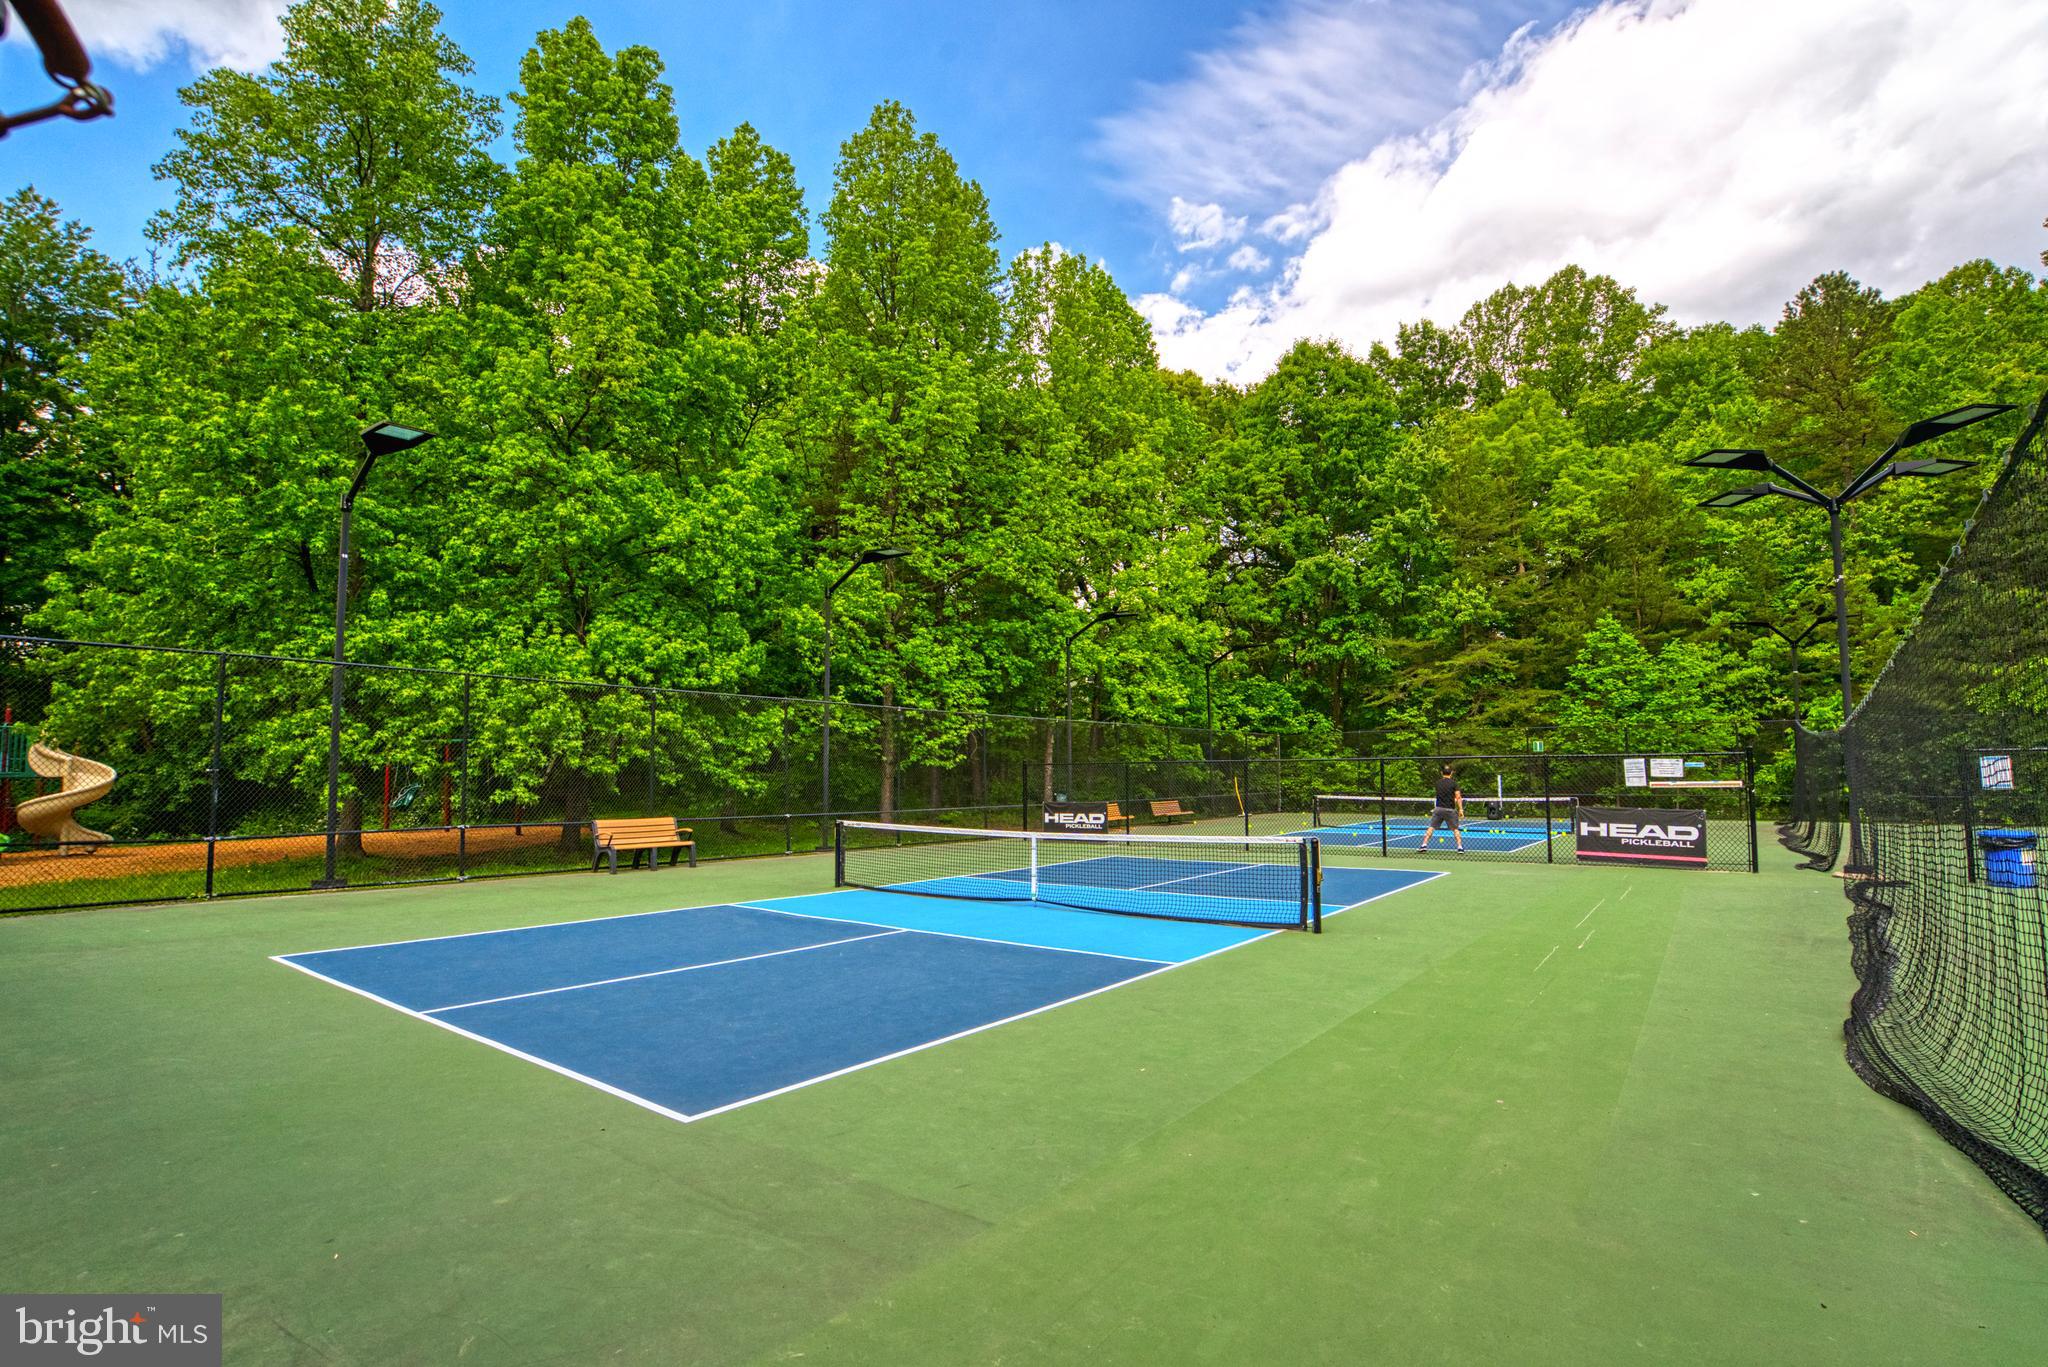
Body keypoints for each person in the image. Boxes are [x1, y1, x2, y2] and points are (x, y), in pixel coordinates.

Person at [1424, 763, 1464, 852]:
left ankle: (1424, 844)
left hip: (1438, 809)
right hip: (1450, 810)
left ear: (1442, 773)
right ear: (1451, 773)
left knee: (1431, 827)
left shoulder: (1438, 783)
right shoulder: (1454, 783)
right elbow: (1458, 797)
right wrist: (1461, 809)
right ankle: (1460, 847)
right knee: (1455, 829)